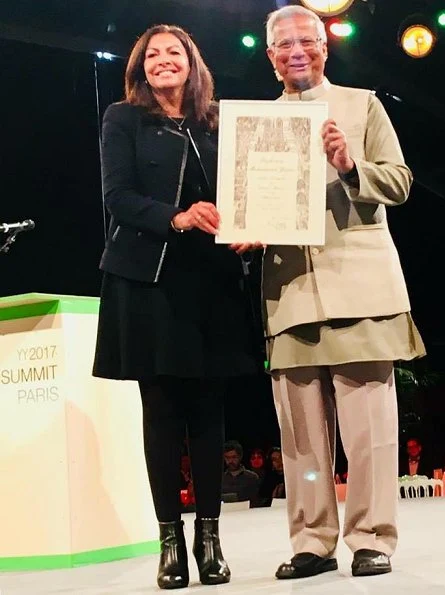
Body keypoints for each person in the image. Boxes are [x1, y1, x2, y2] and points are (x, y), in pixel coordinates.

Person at [233, 5, 425, 580]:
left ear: (324, 46)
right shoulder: (255, 123)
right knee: (300, 437)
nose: (296, 51)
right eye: (283, 44)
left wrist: (349, 163)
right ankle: (312, 541)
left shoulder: (362, 104)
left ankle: (371, 537)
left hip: (361, 286)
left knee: (370, 432)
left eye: (306, 41)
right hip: (289, 291)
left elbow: (399, 182)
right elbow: (249, 203)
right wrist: (246, 231)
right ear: (270, 57)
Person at [92, 24, 257, 590]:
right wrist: (177, 217)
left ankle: (209, 539)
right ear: (140, 66)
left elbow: (250, 193)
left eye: (175, 53)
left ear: (193, 65)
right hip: (149, 281)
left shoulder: (222, 123)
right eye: (153, 54)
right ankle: (171, 543)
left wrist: (254, 228)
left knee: (209, 414)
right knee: (161, 414)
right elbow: (117, 198)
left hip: (211, 281)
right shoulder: (122, 118)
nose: (164, 61)